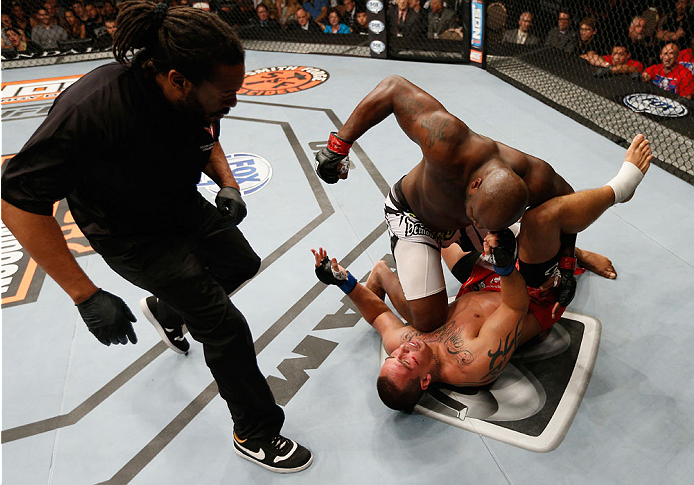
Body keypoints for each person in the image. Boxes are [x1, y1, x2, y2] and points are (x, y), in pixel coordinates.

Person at [0, 0, 312, 474]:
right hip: (130, 234)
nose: (234, 100)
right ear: (176, 79)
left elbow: (207, 130)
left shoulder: (196, 94)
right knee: (222, 325)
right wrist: (84, 295)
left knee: (241, 264)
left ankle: (165, 311)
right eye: (226, 93)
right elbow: (17, 201)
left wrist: (226, 181)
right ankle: (256, 430)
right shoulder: (93, 108)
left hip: (178, 203)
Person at [312, 134, 652, 411]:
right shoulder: (473, 363)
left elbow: (379, 315)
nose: (402, 349)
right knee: (540, 220)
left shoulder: (405, 347)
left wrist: (341, 280)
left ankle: (571, 252)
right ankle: (621, 188)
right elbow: (515, 308)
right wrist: (505, 265)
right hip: (530, 292)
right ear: (426, 380)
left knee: (438, 230)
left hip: (479, 280)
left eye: (395, 355)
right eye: (406, 360)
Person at [314, 75, 586, 334]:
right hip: (415, 215)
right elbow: (393, 88)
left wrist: (566, 264)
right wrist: (339, 145)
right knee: (428, 321)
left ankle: (577, 255)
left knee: (536, 279)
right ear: (475, 184)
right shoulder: (447, 141)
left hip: (462, 223)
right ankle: (382, 274)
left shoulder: (535, 177)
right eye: (478, 218)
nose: (480, 225)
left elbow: (568, 206)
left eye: (486, 224)